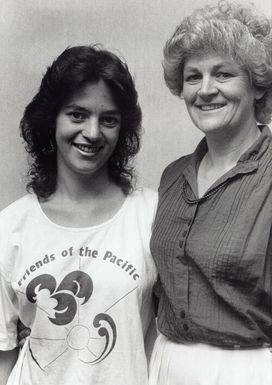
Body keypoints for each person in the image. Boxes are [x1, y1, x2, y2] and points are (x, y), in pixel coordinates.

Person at [0, 45, 157, 385]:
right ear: (50, 119)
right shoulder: (10, 227)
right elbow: (4, 352)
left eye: (109, 119)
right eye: (77, 114)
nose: (93, 132)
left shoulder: (151, 214)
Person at [149, 1, 272, 384]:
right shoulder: (172, 177)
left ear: (256, 85)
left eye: (223, 74)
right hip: (169, 364)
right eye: (192, 77)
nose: (205, 90)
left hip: (248, 369)